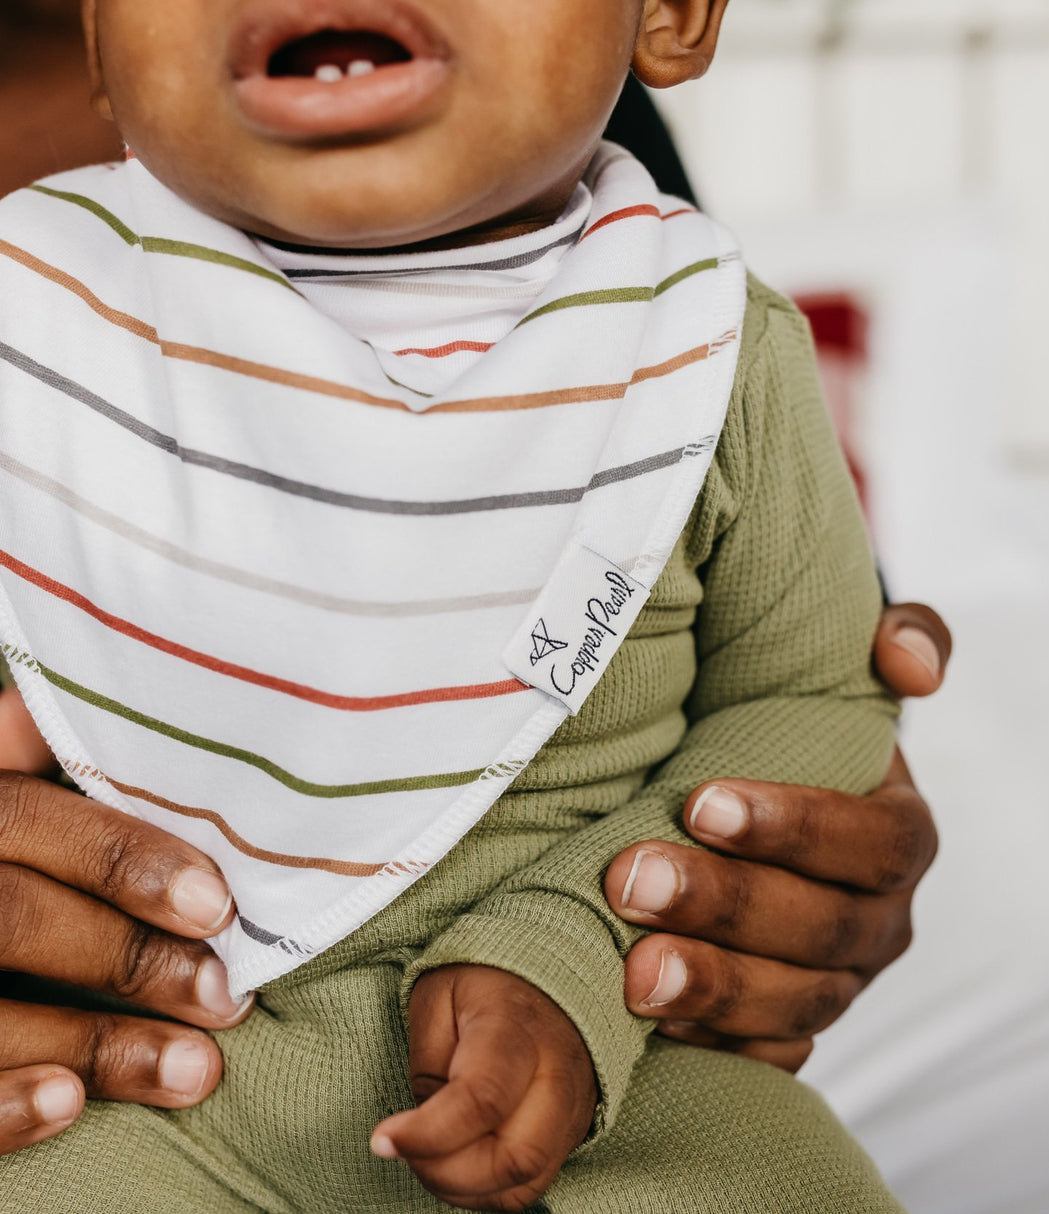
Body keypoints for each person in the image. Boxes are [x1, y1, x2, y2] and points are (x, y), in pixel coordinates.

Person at [0, 1, 950, 1209]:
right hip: (139, 1089)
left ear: (662, 19)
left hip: (606, 1075)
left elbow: (808, 693)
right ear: (100, 47)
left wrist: (575, 945)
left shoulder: (700, 345)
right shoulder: (35, 325)